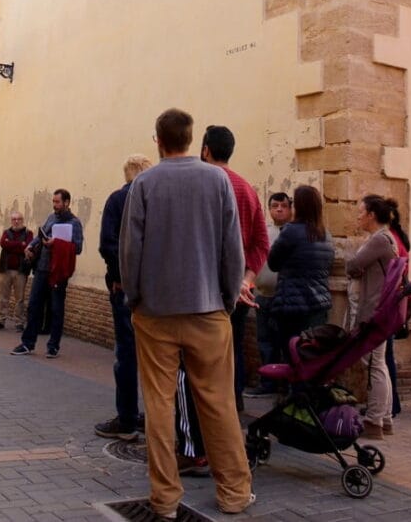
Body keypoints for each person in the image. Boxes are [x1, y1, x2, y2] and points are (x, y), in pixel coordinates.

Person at [120, 108, 254, 519]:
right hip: (208, 308)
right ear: (192, 139)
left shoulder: (143, 183)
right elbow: (233, 248)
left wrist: (135, 298)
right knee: (218, 402)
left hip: (155, 312)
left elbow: (130, 251)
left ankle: (164, 500)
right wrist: (228, 298)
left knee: (159, 407)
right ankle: (233, 492)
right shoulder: (217, 180)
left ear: (158, 140)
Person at [174, 124, 269, 475]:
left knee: (188, 371)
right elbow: (261, 243)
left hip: (201, 296)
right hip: (236, 297)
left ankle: (194, 449)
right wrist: (245, 280)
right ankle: (225, 446)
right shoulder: (246, 188)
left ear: (205, 150)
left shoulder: (201, 184)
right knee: (225, 371)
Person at [95, 154, 152, 441]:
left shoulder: (117, 200)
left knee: (127, 353)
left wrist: (120, 277)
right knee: (158, 356)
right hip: (157, 290)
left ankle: (128, 419)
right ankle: (155, 418)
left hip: (125, 290)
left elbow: (108, 245)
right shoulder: (158, 198)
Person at [346, 194, 399, 439]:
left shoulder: (379, 239)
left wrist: (354, 265)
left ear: (371, 215)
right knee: (379, 363)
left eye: (360, 212)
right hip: (384, 308)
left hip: (374, 309)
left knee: (374, 364)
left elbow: (353, 265)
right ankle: (384, 419)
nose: (357, 216)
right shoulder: (386, 238)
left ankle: (375, 420)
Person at [11, 188, 83, 358]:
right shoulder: (51, 218)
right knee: (34, 305)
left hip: (58, 272)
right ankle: (28, 343)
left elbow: (78, 247)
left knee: (56, 309)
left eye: (57, 202)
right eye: (53, 202)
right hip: (42, 269)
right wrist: (30, 246)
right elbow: (39, 236)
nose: (55, 205)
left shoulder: (74, 223)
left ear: (66, 202)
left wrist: (56, 243)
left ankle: (53, 346)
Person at [268, 184, 334, 361]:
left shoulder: (291, 231)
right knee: (311, 354)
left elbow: (273, 262)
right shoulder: (325, 234)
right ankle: (307, 388)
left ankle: (295, 389)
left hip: (292, 305)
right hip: (319, 304)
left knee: (293, 354)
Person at [246, 192, 293, 395]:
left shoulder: (293, 232)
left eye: (284, 205)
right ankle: (268, 384)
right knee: (264, 342)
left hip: (285, 298)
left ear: (291, 208)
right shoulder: (265, 231)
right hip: (262, 294)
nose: (279, 209)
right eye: (275, 206)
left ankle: (287, 386)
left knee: (286, 343)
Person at [386, 201, 410, 417]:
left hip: (389, 303)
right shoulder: (399, 237)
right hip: (397, 302)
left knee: (384, 358)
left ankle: (390, 405)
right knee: (385, 356)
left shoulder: (390, 239)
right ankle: (392, 404)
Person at [0, 212, 33, 331]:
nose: (16, 221)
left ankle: (19, 322)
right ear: (11, 221)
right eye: (14, 219)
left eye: (19, 219)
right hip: (5, 269)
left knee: (19, 298)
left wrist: (12, 245)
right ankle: (0, 320)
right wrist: (20, 244)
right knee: (3, 296)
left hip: (20, 271)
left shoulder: (28, 233)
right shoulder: (6, 232)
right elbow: (3, 244)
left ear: (22, 220)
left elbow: (28, 247)